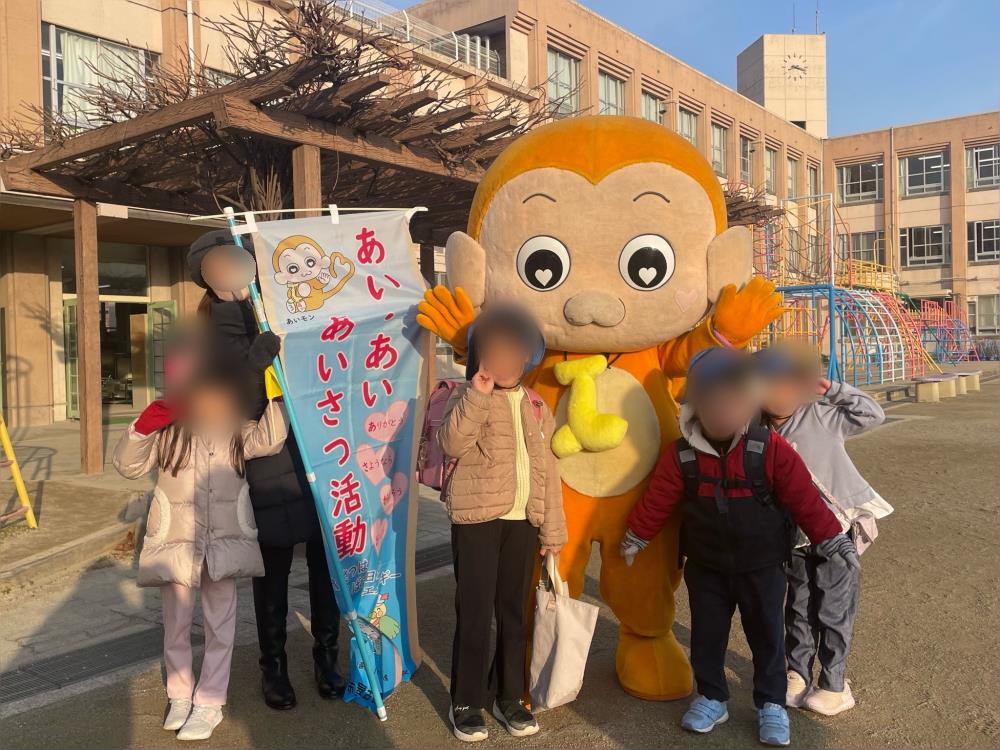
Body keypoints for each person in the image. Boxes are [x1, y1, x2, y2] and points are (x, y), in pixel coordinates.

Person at [619, 347, 857, 747]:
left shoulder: (769, 448)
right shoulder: (681, 455)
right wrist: (636, 536)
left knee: (767, 637)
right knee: (707, 636)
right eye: (713, 402)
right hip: (706, 567)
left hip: (762, 566)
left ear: (749, 403)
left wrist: (832, 539)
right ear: (696, 405)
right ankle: (712, 697)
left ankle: (771, 703)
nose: (723, 411)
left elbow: (805, 499)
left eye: (734, 402)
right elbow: (658, 500)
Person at [187, 230, 345, 710]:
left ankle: (327, 658)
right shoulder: (208, 332)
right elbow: (223, 408)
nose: (230, 273)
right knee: (272, 571)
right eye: (218, 266)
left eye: (235, 261)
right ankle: (273, 667)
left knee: (325, 567)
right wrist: (252, 370)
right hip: (266, 462)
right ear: (205, 276)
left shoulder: (281, 305)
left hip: (320, 450)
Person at [113, 358, 288, 741]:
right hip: (177, 544)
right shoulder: (168, 433)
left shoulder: (235, 429)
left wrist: (275, 389)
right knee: (175, 625)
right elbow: (126, 465)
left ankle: (209, 701)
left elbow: (271, 438)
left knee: (220, 626)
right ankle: (179, 694)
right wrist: (145, 424)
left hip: (222, 545)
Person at [438, 305, 567, 743]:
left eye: (514, 351)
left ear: (527, 357)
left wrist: (552, 530)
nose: (505, 360)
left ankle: (510, 696)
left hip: (523, 523)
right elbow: (451, 443)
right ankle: (466, 701)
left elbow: (549, 471)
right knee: (474, 613)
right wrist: (477, 395)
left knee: (515, 614)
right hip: (476, 521)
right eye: (495, 351)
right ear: (480, 356)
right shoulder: (466, 396)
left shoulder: (537, 404)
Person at [755, 344, 892, 716]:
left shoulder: (820, 415)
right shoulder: (756, 431)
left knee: (833, 607)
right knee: (798, 605)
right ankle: (797, 673)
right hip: (792, 535)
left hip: (837, 530)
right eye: (768, 385)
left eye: (786, 383)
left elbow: (872, 414)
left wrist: (831, 389)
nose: (779, 393)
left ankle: (834, 683)